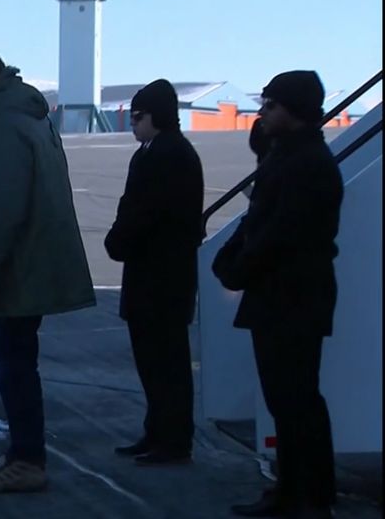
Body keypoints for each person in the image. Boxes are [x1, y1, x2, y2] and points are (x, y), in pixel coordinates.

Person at [0, 55, 96, 493]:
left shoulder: (6, 128)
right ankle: (22, 453)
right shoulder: (32, 117)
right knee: (19, 362)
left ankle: (28, 459)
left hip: (19, 268)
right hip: (35, 261)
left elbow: (4, 210)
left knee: (14, 366)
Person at [214, 71, 342, 519]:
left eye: (269, 105)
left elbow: (278, 234)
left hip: (292, 298)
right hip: (283, 296)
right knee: (288, 400)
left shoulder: (305, 164)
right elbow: (262, 224)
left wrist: (235, 268)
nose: (261, 113)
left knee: (296, 399)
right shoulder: (290, 157)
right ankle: (296, 491)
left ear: (293, 109)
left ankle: (309, 495)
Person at [104, 79, 204, 466]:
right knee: (153, 361)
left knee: (167, 363)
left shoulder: (169, 155)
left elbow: (145, 212)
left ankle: (173, 439)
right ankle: (158, 431)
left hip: (162, 278)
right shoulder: (154, 152)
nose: (132, 122)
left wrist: (119, 241)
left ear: (156, 116)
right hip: (152, 275)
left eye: (138, 116)